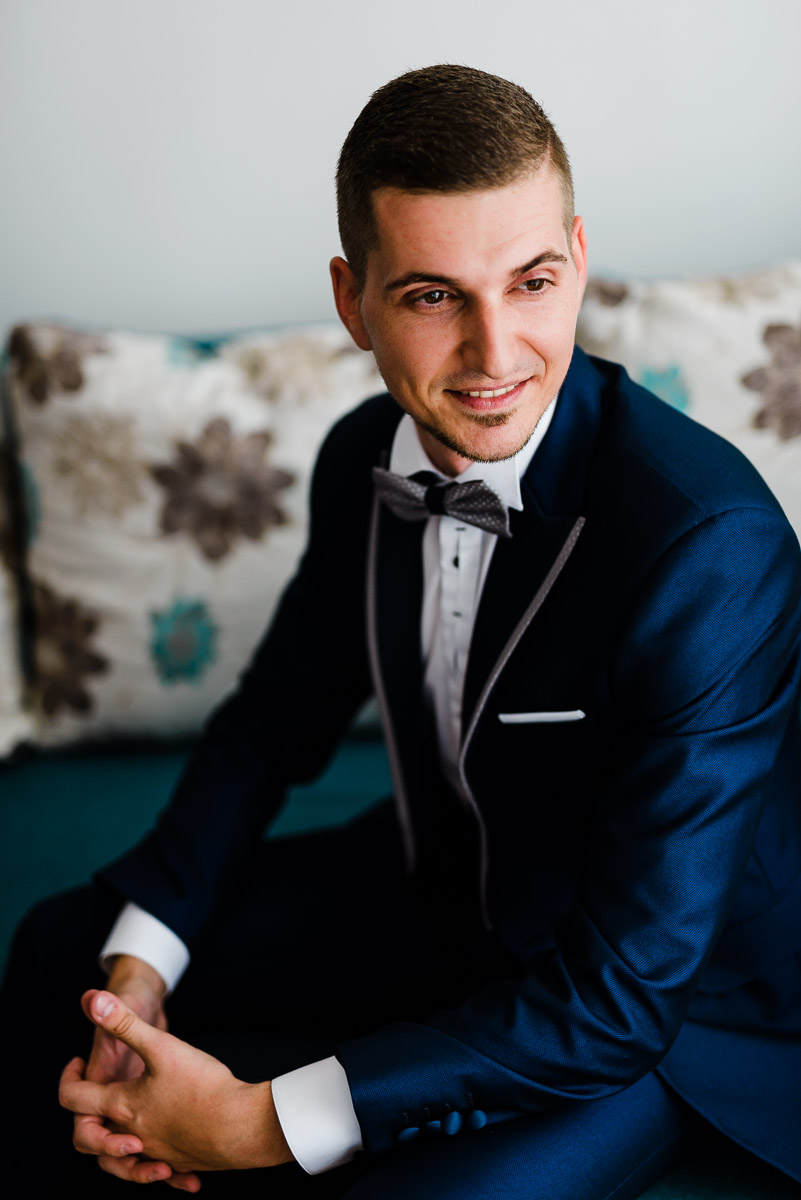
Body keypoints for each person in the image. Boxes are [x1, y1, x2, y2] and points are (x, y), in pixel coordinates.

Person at [3, 64, 801, 1200]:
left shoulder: (707, 544)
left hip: (660, 1009)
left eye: (531, 282)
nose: (495, 353)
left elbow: (621, 997)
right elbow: (269, 728)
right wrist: (140, 970)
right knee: (62, 953)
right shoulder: (356, 461)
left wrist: (257, 1122)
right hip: (446, 890)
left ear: (578, 260)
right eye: (433, 296)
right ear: (353, 300)